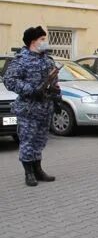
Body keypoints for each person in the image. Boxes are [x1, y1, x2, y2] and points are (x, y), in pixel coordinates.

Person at [4, 26, 61, 186]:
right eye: (42, 39)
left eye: (45, 39)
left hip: (45, 108)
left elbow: (55, 83)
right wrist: (31, 90)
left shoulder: (48, 60)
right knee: (28, 141)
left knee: (40, 141)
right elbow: (10, 81)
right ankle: (28, 173)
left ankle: (38, 169)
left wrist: (57, 100)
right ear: (32, 42)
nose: (45, 42)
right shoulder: (21, 60)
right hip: (28, 109)